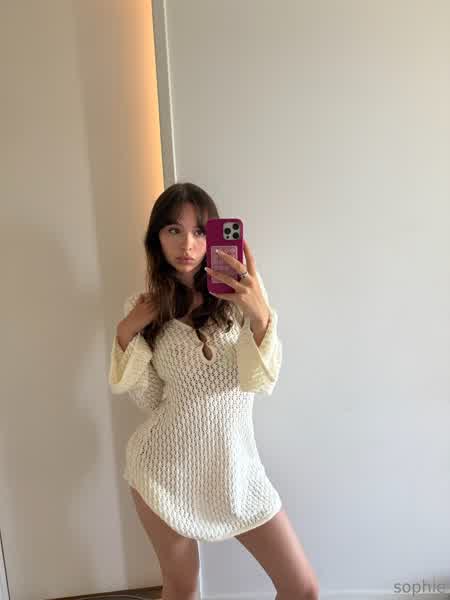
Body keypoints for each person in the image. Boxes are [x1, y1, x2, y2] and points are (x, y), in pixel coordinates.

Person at [108, 182, 319, 600]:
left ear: (216, 237)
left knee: (301, 589)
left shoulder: (242, 298)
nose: (187, 244)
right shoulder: (144, 307)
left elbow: (259, 382)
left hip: (237, 470)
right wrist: (126, 331)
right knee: (183, 589)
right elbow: (150, 399)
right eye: (173, 230)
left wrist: (259, 317)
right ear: (156, 238)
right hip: (164, 470)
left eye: (200, 232)